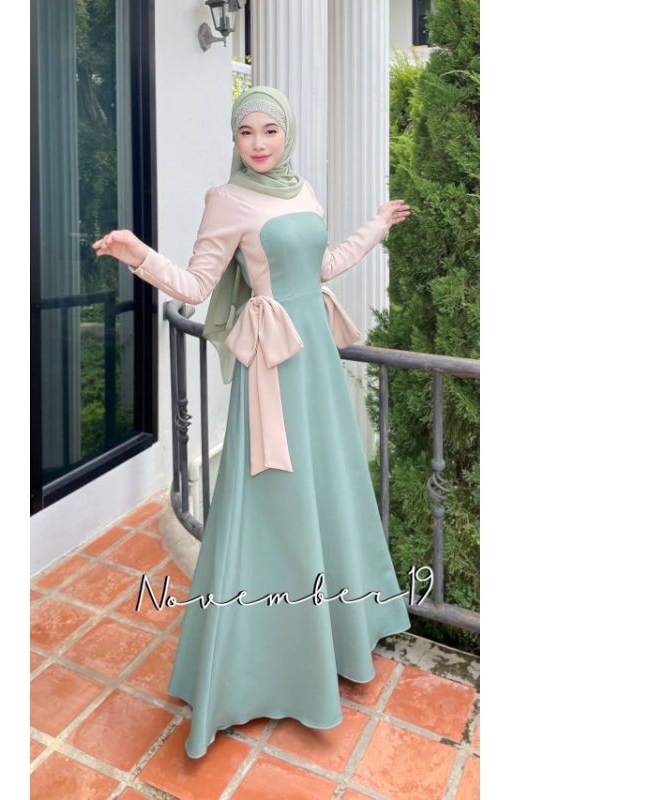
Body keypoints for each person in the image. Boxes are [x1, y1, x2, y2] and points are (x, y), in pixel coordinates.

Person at [93, 86, 412, 760]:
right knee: (270, 504)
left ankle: (334, 637)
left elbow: (321, 267)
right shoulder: (228, 199)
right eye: (246, 132)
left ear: (286, 133)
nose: (259, 143)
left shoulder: (304, 190)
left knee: (325, 491)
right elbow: (195, 285)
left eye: (270, 130)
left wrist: (376, 226)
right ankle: (260, 665)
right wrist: (137, 254)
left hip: (316, 360)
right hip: (273, 368)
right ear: (235, 139)